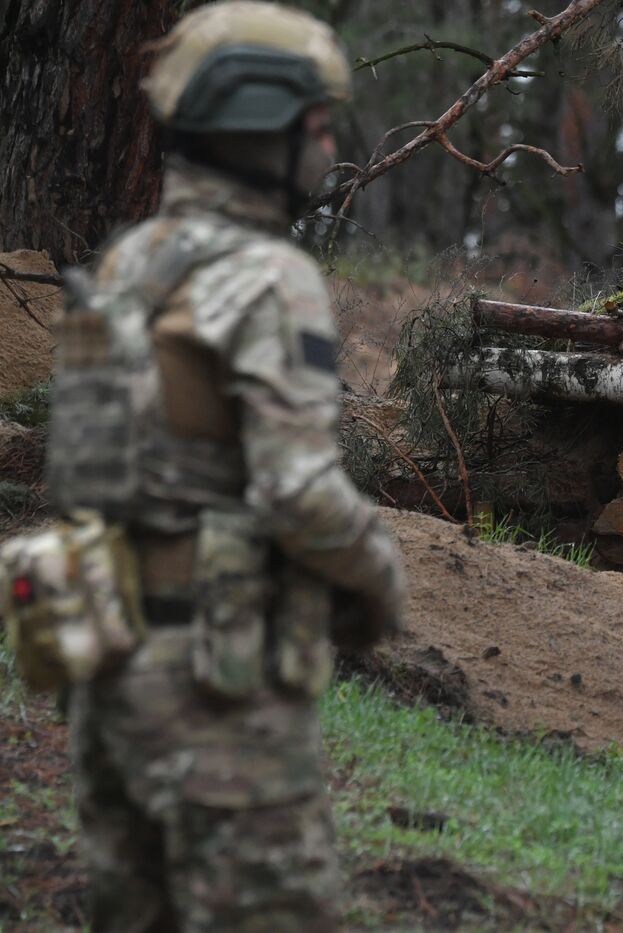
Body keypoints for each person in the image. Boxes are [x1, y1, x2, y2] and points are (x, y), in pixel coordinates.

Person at [47, 3, 405, 929]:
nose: (329, 148)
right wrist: (377, 578)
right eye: (318, 125)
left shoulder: (126, 264)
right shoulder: (268, 279)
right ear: (259, 126)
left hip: (105, 672)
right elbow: (298, 492)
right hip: (215, 686)